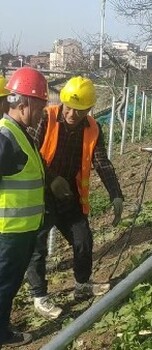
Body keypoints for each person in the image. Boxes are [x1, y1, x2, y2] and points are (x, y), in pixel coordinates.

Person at [26, 76, 124, 320]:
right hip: (40, 192)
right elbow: (30, 153)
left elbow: (102, 162)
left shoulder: (92, 127)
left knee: (83, 239)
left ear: (89, 109)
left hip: (69, 193)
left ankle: (82, 285)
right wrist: (51, 179)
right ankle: (39, 296)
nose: (71, 113)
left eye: (79, 110)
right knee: (37, 247)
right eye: (68, 107)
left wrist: (116, 194)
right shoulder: (46, 118)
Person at [0, 67, 48, 347]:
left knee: (8, 283)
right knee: (4, 284)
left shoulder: (21, 132)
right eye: (40, 105)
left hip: (21, 229)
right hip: (10, 230)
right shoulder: (6, 137)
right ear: (23, 103)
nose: (42, 111)